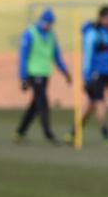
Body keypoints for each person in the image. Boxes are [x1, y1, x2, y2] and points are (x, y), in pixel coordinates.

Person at [14, 8, 71, 144]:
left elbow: (56, 56)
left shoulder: (51, 36)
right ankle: (48, 133)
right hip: (33, 73)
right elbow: (23, 56)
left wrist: (65, 72)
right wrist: (23, 77)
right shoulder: (30, 33)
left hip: (45, 74)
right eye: (46, 23)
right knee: (43, 103)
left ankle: (20, 132)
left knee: (35, 105)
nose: (48, 26)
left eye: (50, 23)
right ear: (41, 21)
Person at [70, 6, 108, 143]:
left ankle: (72, 132)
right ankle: (106, 135)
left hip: (105, 73)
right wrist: (86, 77)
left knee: (90, 106)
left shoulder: (106, 32)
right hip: (96, 74)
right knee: (101, 104)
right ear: (102, 18)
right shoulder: (92, 34)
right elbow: (87, 57)